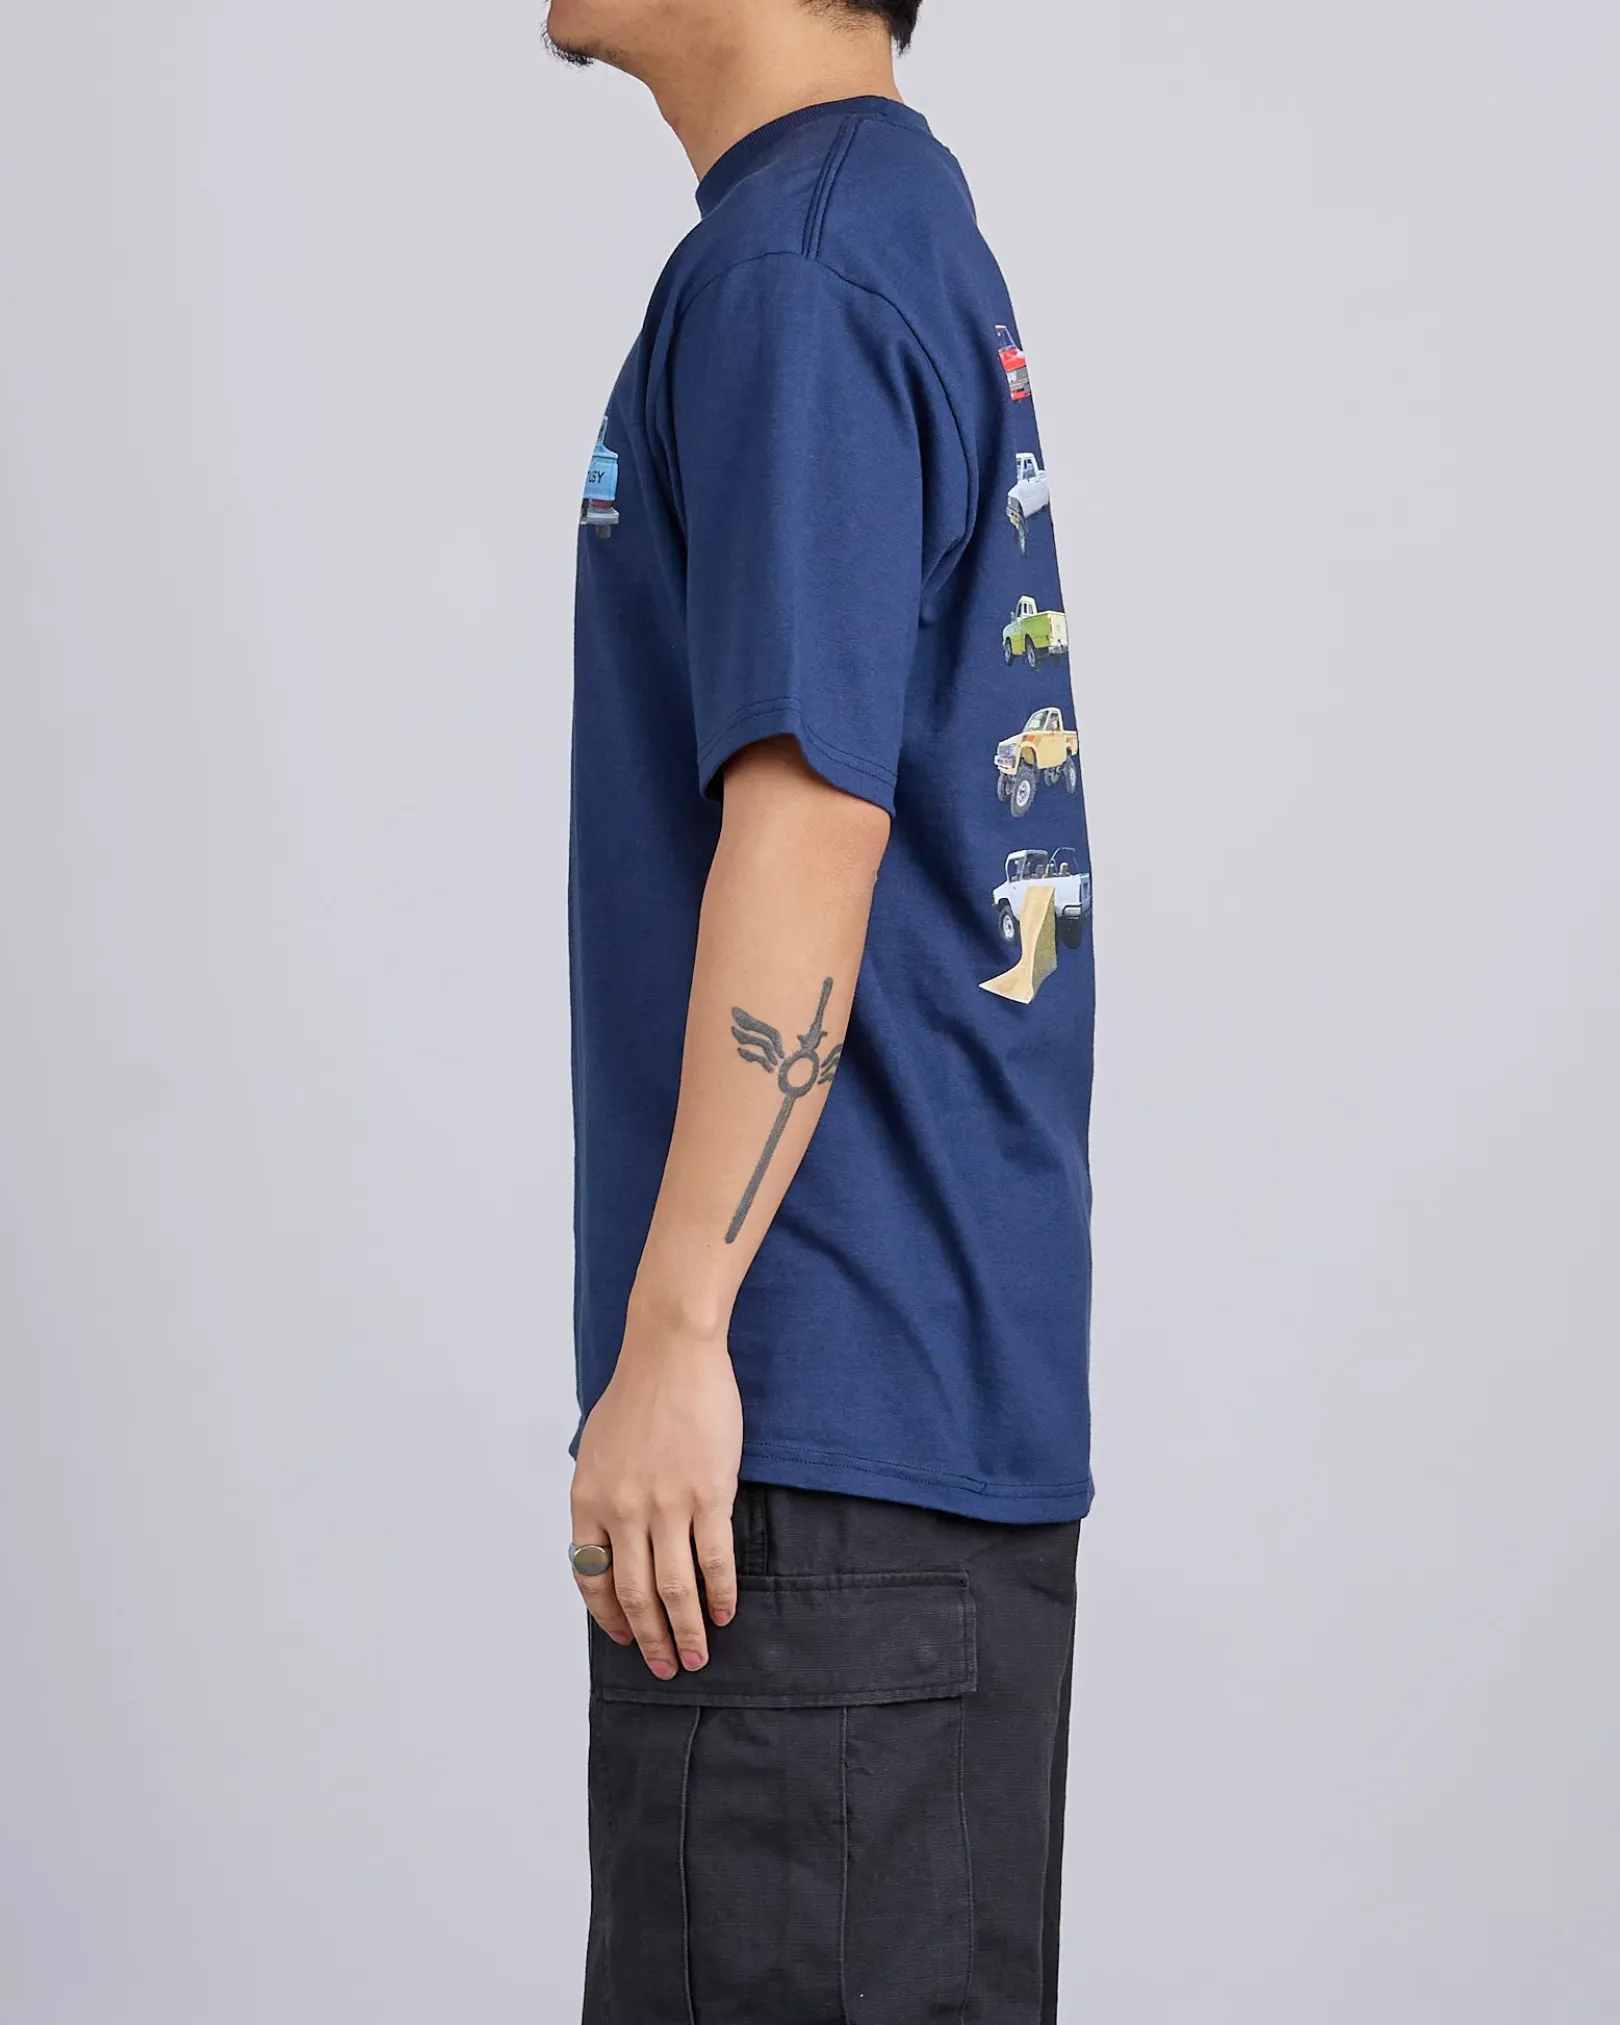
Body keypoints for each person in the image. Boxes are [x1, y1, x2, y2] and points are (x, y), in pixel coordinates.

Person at [549, 1, 1096, 2016]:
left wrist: (678, 1332)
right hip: (897, 1456)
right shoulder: (883, 229)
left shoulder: (797, 271)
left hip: (811, 1462)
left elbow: (810, 823)